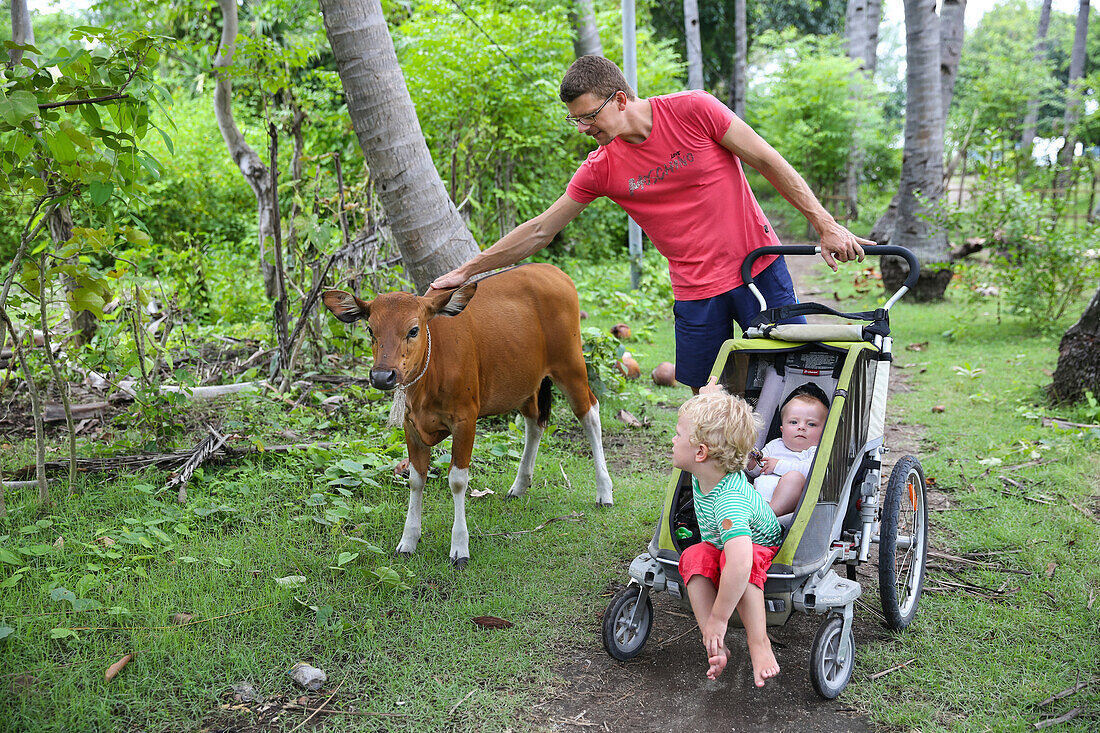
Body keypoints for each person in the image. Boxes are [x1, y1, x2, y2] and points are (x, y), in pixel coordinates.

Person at [431, 55, 871, 392]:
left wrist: (825, 224)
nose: (583, 128)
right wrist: (468, 269)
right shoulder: (600, 167)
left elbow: (767, 161)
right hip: (695, 292)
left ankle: (804, 478)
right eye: (575, 120)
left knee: (791, 382)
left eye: (589, 117)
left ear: (620, 100)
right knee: (709, 397)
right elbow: (541, 229)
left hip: (759, 269)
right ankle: (725, 500)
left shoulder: (694, 110)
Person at [672, 390, 783, 685]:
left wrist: (722, 617)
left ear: (700, 452)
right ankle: (714, 643)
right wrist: (711, 391)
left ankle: (759, 643)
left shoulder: (728, 501)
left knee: (739, 567)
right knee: (692, 556)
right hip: (722, 542)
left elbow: (739, 563)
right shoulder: (704, 472)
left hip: (757, 545)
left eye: (678, 434)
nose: (672, 440)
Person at [747, 383, 830, 518]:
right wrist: (752, 464)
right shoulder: (774, 445)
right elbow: (760, 470)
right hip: (757, 501)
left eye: (811, 424)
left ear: (823, 432)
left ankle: (768, 516)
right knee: (737, 480)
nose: (801, 427)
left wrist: (777, 465)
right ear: (782, 429)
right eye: (793, 422)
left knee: (794, 477)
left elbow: (811, 472)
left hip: (783, 511)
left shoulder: (814, 452)